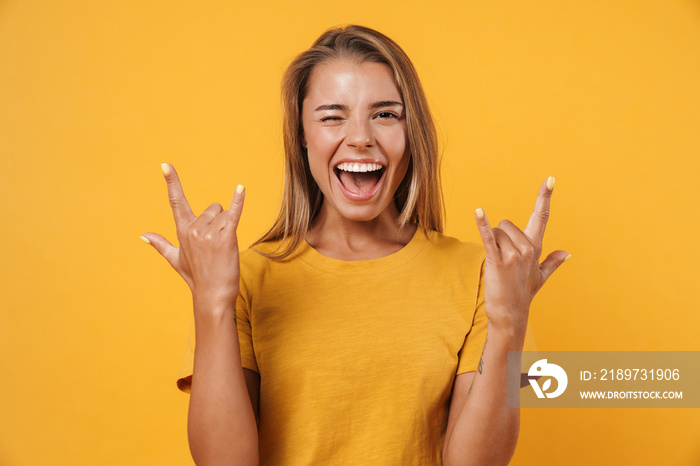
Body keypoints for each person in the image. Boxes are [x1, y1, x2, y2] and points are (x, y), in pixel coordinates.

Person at [141, 25, 569, 465]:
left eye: (385, 114)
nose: (361, 136)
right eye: (332, 116)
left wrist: (509, 325)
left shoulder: (482, 277)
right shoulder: (245, 278)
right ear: (303, 135)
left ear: (412, 132)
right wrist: (211, 302)